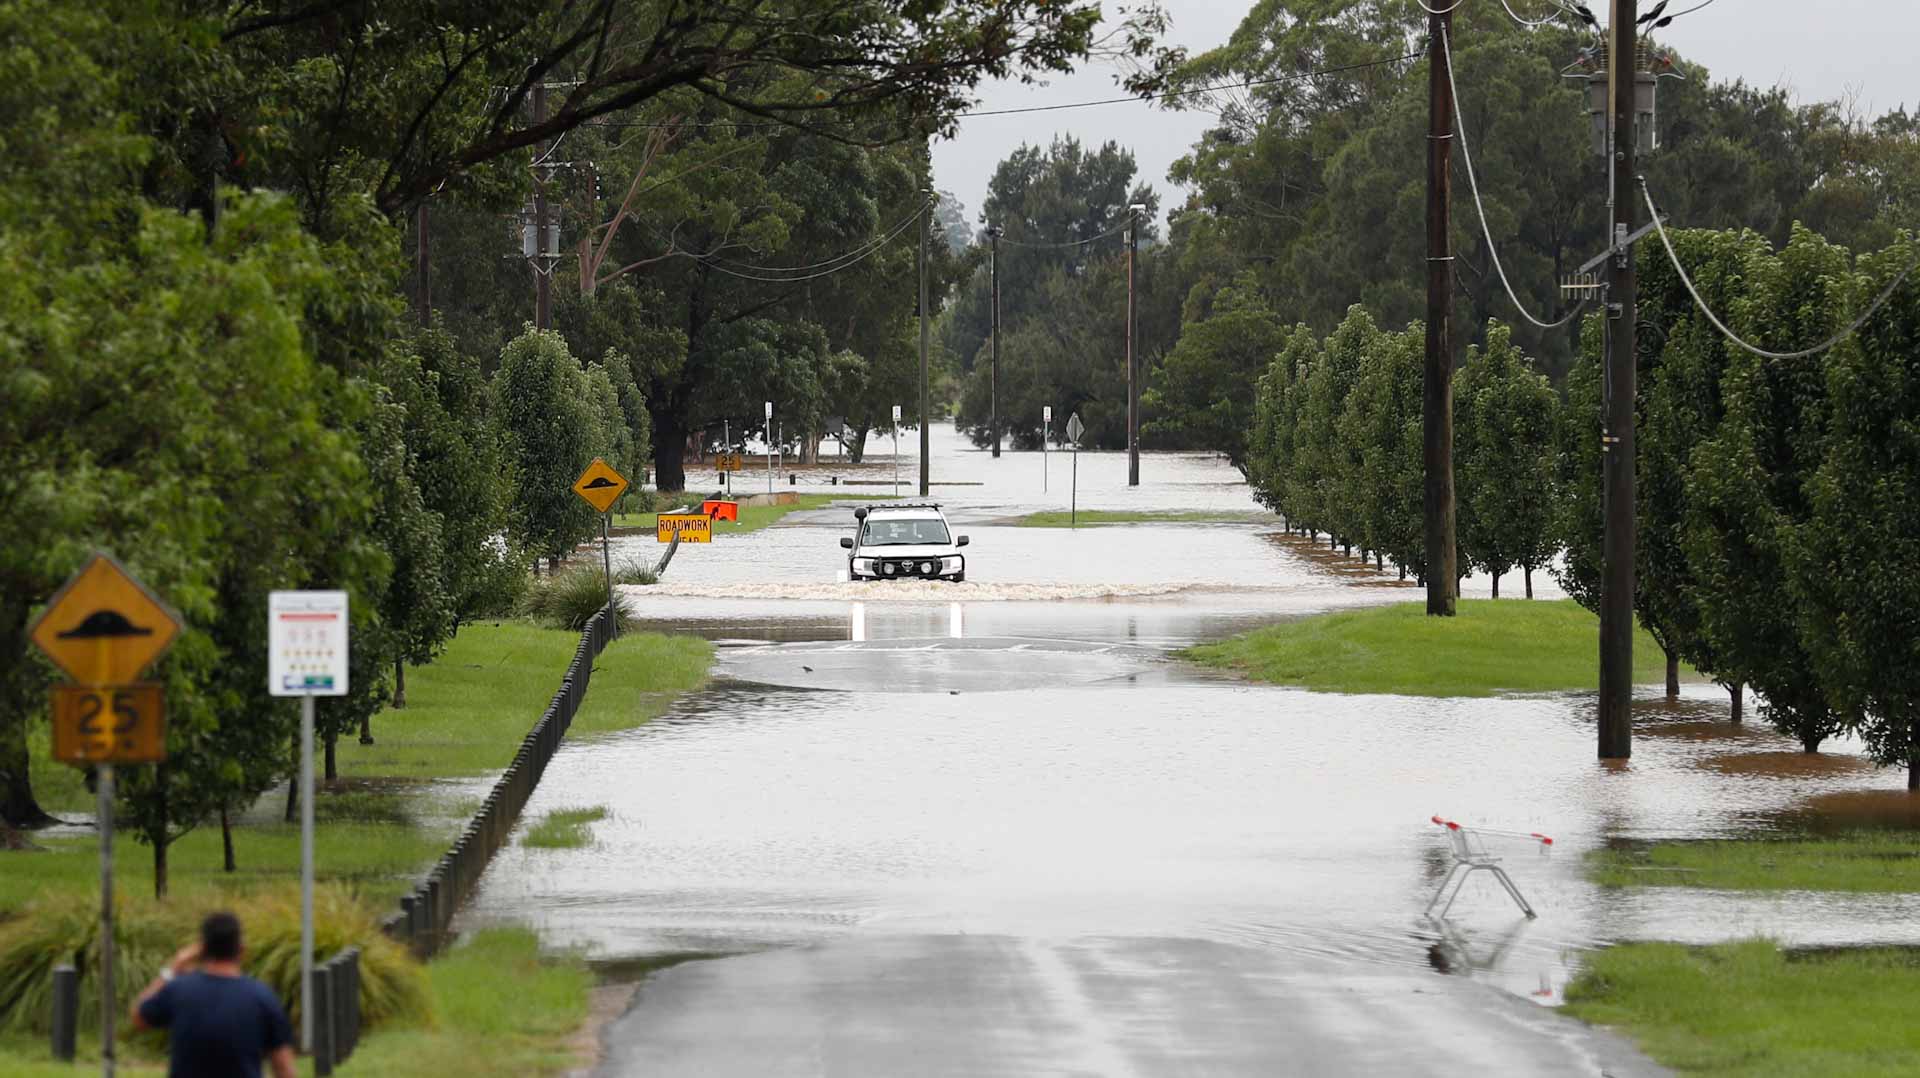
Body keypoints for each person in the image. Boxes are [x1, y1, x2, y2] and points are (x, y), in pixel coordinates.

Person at [130, 911, 297, 1078]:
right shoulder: (262, 998)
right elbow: (283, 1068)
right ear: (241, 950)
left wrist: (174, 967)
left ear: (202, 949)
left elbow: (139, 1017)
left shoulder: (179, 990)